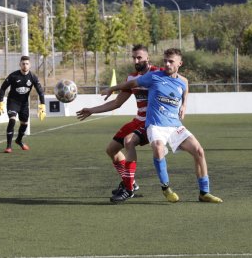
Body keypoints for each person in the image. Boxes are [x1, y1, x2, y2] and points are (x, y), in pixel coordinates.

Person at [102, 48, 223, 203]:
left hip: (175, 125)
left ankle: (204, 192)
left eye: (171, 61)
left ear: (180, 63)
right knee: (158, 148)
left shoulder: (183, 81)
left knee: (199, 151)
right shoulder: (153, 76)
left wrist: (184, 105)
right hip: (156, 125)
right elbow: (131, 83)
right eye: (165, 61)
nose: (167, 64)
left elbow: (185, 89)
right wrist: (112, 88)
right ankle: (166, 188)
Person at [77, 44, 164, 203]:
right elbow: (117, 103)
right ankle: (130, 182)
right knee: (111, 150)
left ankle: (128, 189)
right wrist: (91, 110)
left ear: (147, 58)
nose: (136, 60)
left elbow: (179, 81)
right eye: (134, 57)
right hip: (138, 120)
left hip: (152, 122)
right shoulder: (131, 78)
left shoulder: (159, 73)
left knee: (128, 141)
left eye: (139, 57)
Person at [0, 55, 46, 153]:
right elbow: (3, 88)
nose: (25, 65)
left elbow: (40, 92)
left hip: (24, 104)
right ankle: (8, 146)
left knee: (24, 124)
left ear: (30, 65)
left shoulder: (32, 77)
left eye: (27, 64)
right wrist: (1, 102)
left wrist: (42, 106)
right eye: (23, 64)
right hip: (13, 102)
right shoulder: (13, 76)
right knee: (12, 120)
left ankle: (19, 140)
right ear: (20, 64)